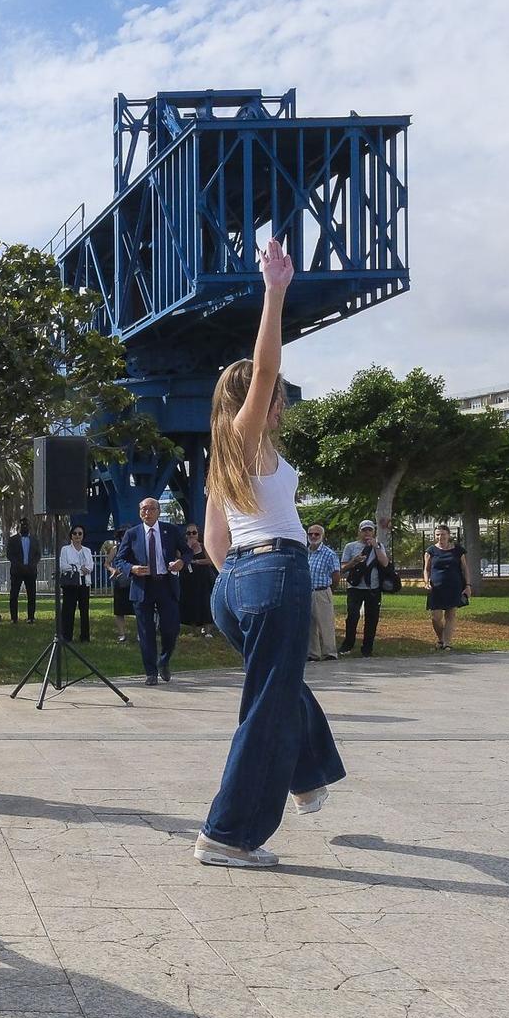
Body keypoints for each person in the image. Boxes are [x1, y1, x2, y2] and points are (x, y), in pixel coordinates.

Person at [194, 238, 345, 869]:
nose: (278, 396)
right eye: (273, 392)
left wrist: (238, 580)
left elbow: (213, 541)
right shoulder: (244, 435)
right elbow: (260, 369)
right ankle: (227, 835)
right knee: (268, 701)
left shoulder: (225, 458)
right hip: (275, 573)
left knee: (278, 686)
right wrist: (275, 293)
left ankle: (305, 773)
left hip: (237, 581)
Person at [112, 497, 189, 686]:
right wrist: (132, 569)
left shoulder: (170, 531)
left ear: (158, 511)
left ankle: (164, 661)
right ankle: (151, 672)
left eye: (151, 509)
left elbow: (187, 552)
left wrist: (181, 562)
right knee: (146, 631)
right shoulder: (132, 534)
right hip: (142, 586)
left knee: (171, 629)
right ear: (140, 513)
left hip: (165, 585)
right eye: (143, 510)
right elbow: (119, 560)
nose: (147, 513)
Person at [338, 520, 388, 656]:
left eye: (369, 530)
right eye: (364, 530)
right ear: (359, 531)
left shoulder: (379, 546)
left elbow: (384, 563)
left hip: (373, 587)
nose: (367, 533)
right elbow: (342, 568)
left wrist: (376, 547)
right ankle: (348, 644)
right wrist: (354, 561)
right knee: (352, 616)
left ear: (373, 532)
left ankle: (367, 648)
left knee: (372, 618)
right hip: (355, 587)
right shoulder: (351, 546)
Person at [424, 524, 470, 651]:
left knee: (450, 615)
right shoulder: (430, 551)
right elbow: (426, 569)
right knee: (436, 617)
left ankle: (447, 643)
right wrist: (426, 582)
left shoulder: (458, 550)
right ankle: (441, 638)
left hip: (454, 586)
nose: (440, 537)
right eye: (437, 534)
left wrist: (468, 585)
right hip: (436, 588)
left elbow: (465, 568)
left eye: (443, 534)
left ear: (449, 535)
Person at [305, 524, 342, 662]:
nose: (313, 537)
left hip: (322, 591)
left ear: (322, 536)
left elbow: (336, 574)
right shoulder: (305, 552)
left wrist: (330, 590)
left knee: (325, 623)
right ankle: (313, 653)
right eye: (311, 534)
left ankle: (330, 653)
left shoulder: (329, 553)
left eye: (317, 534)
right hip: (307, 592)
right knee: (309, 624)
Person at [56, 522, 94, 643]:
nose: (77, 536)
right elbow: (63, 566)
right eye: (75, 533)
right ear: (71, 535)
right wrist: (79, 568)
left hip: (84, 583)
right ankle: (67, 636)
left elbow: (90, 566)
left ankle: (85, 637)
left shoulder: (87, 550)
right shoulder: (65, 550)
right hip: (71, 584)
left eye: (80, 534)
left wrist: (83, 569)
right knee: (68, 610)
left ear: (83, 536)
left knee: (84, 610)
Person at [180, 522, 217, 639]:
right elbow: (180, 560)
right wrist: (189, 549)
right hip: (189, 579)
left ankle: (208, 630)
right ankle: (193, 629)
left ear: (198, 534)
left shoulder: (204, 545)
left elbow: (210, 561)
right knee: (191, 602)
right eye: (189, 533)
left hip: (203, 578)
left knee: (205, 602)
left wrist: (196, 562)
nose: (191, 535)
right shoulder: (182, 547)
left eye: (194, 532)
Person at [4, 519, 39, 623]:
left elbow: (38, 554)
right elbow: (9, 554)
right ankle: (14, 618)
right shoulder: (13, 539)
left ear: (29, 527)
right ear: (18, 527)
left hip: (31, 571)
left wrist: (32, 565)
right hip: (17, 571)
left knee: (31, 595)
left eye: (26, 525)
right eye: (22, 525)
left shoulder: (34, 539)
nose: (24, 527)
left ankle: (31, 618)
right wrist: (19, 565)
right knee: (14, 595)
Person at [108, 539, 133, 642]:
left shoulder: (135, 547)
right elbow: (107, 563)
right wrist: (112, 570)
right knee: (119, 610)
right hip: (120, 582)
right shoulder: (115, 549)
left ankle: (140, 634)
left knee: (138, 608)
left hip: (134, 581)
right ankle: (122, 634)